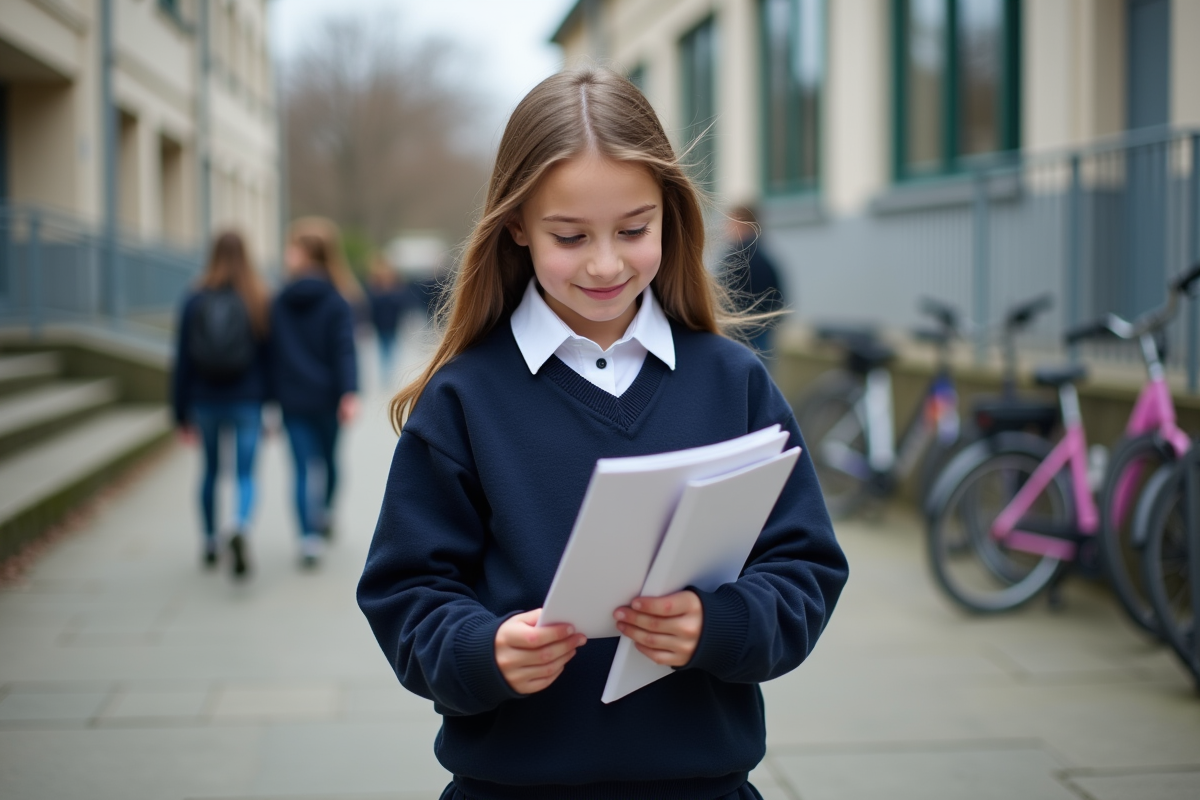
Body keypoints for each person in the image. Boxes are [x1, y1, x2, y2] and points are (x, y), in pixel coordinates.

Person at [357, 68, 848, 800]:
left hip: (704, 785)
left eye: (632, 229)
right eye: (570, 235)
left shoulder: (733, 381)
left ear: (669, 217)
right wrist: (480, 650)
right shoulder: (464, 398)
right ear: (518, 224)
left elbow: (805, 567)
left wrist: (723, 624)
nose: (606, 263)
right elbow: (408, 591)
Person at [171, 230, 270, 578]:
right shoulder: (258, 297)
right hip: (247, 399)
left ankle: (211, 541)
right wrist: (270, 405)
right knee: (245, 473)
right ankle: (240, 524)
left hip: (205, 399)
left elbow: (182, 359)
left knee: (210, 472)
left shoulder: (195, 298)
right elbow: (268, 358)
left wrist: (180, 411)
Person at [270, 217, 360, 568]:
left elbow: (271, 353)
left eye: (293, 247)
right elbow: (344, 350)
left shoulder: (278, 301)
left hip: (292, 399)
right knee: (330, 462)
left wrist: (268, 399)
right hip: (329, 398)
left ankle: (308, 538)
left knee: (302, 468)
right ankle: (323, 514)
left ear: (306, 254)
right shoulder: (338, 299)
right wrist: (349, 393)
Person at [720, 204, 786, 361]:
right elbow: (779, 297)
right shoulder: (763, 254)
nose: (726, 227)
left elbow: (723, 296)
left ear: (742, 224)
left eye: (731, 222)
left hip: (741, 333)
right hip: (762, 330)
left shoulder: (737, 257)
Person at [366, 254, 408, 383]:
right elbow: (371, 306)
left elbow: (401, 304)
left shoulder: (396, 287)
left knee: (391, 346)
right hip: (380, 323)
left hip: (393, 322)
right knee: (383, 347)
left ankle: (391, 372)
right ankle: (386, 374)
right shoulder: (375, 288)